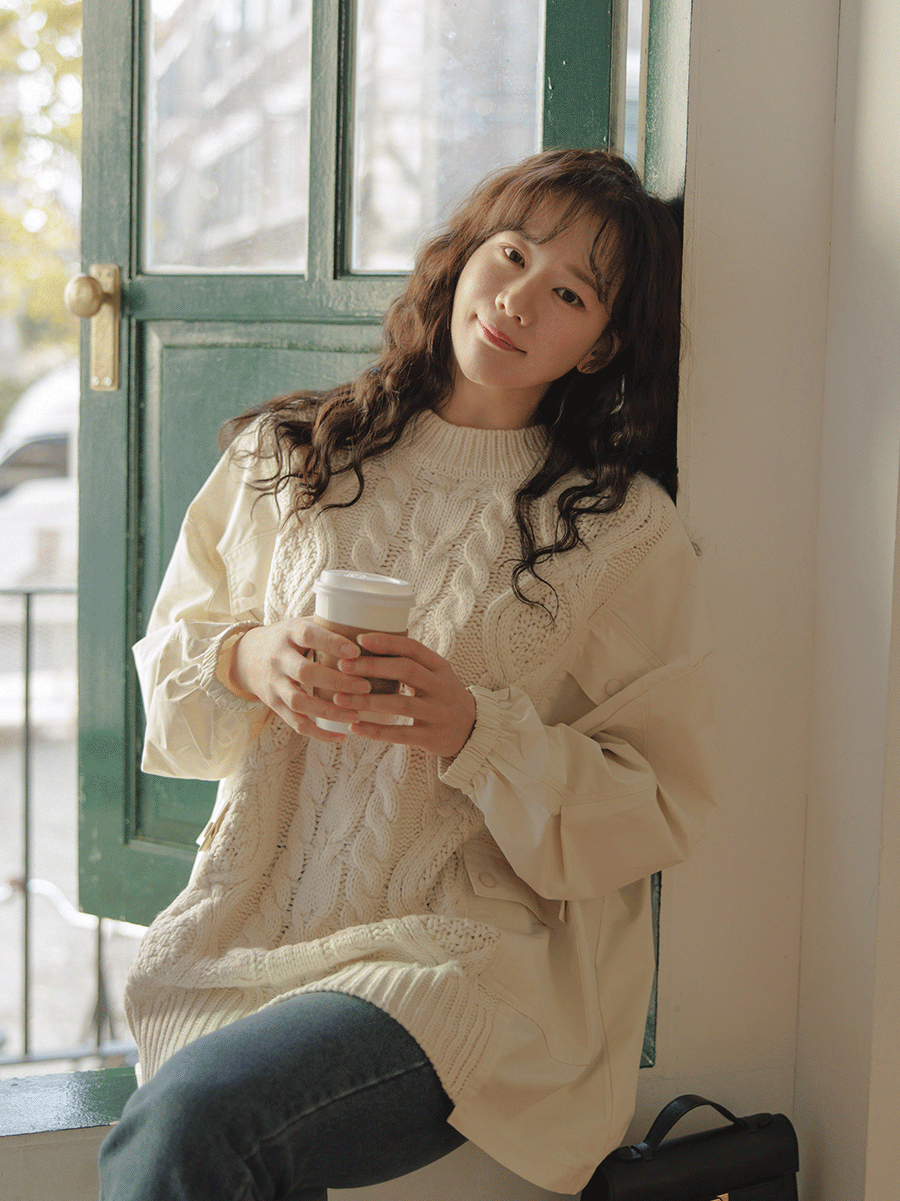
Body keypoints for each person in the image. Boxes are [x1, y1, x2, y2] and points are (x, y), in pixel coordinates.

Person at [98, 148, 717, 1201]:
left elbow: (659, 799)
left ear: (602, 343)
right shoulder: (287, 456)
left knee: (198, 1120)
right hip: (249, 928)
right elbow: (169, 683)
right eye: (511, 253)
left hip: (462, 962)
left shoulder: (623, 531)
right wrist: (252, 660)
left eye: (570, 293)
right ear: (464, 254)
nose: (518, 299)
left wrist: (475, 730)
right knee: (207, 1125)